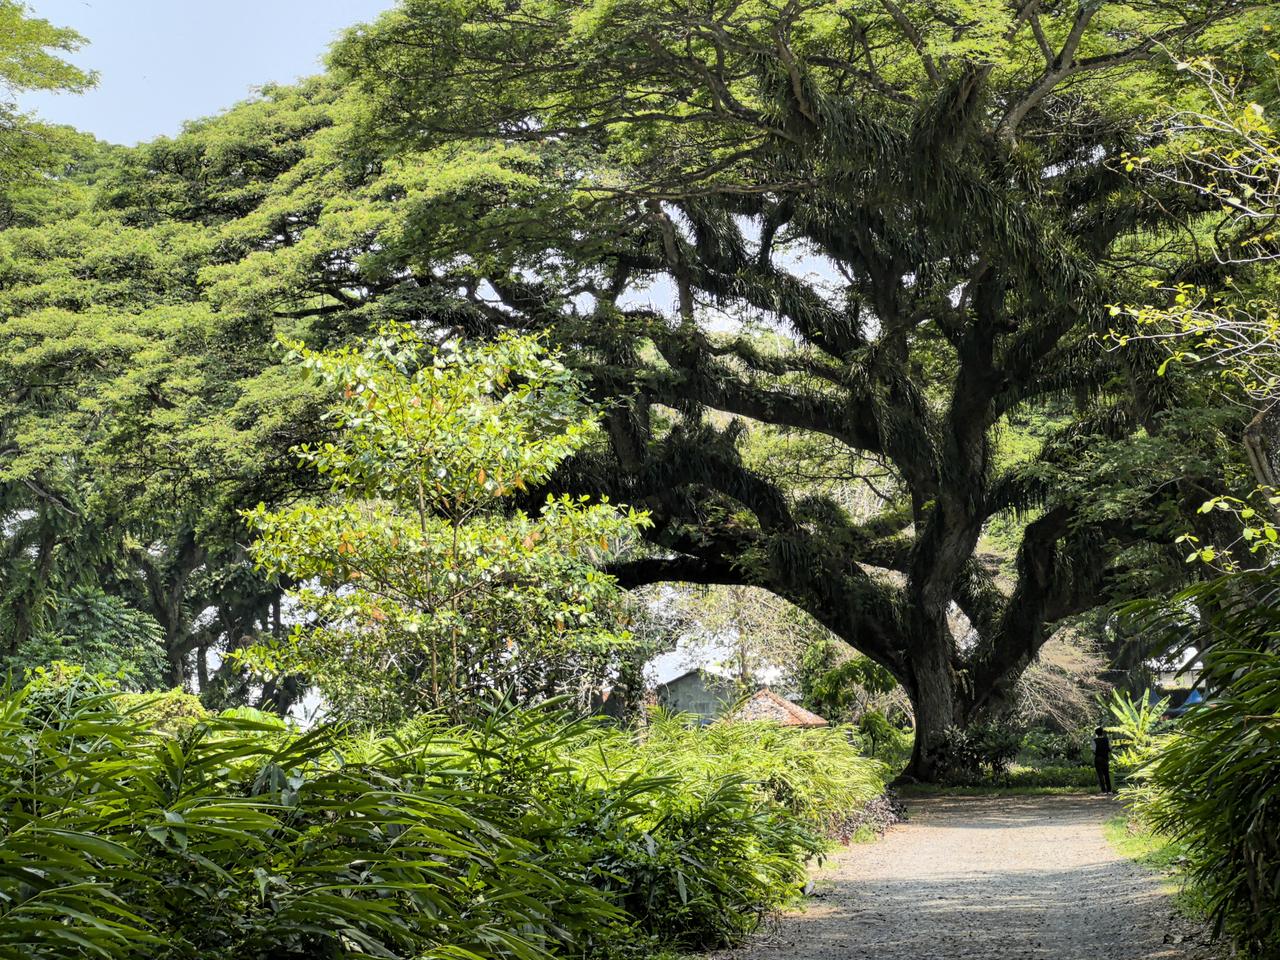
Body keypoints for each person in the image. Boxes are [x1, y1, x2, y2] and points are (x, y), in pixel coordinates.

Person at [1093, 726, 1113, 793]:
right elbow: (1110, 748)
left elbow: (1093, 750)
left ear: (1096, 733)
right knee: (1106, 774)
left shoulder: (1094, 741)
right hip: (1105, 758)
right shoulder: (1107, 740)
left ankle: (1103, 791)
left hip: (1098, 759)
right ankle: (1109, 790)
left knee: (1100, 775)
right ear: (1102, 732)